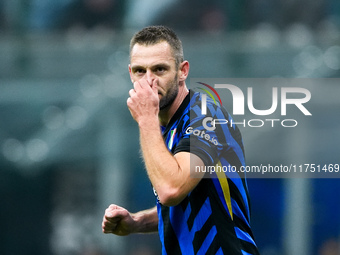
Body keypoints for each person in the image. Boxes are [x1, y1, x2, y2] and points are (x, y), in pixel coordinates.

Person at [102, 25, 260, 255]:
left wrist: (146, 119)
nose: (149, 82)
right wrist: (138, 222)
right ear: (130, 73)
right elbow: (192, 203)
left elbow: (171, 190)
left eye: (159, 69)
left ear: (182, 71)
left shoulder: (205, 116)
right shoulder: (164, 128)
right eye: (139, 71)